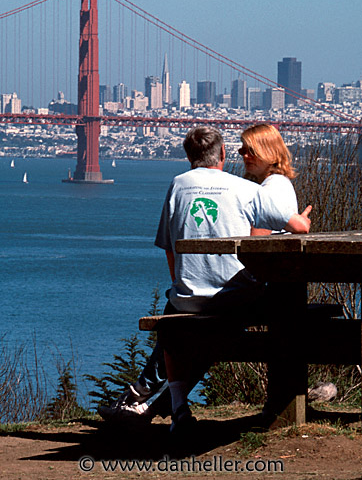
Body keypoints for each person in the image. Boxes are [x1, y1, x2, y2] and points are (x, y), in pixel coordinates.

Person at [99, 125, 311, 427]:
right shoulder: (246, 188)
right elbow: (298, 228)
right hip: (237, 299)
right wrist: (302, 220)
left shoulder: (177, 185)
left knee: (174, 317)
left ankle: (168, 405)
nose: (240, 154)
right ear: (222, 153)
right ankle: (146, 401)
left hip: (189, 301)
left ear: (188, 156)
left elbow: (168, 248)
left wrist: (181, 283)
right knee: (227, 321)